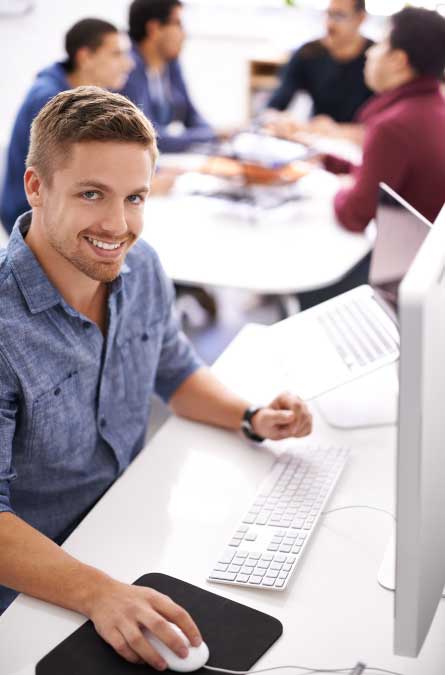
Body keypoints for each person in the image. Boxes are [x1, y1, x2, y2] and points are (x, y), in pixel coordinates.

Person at [0, 86, 312, 668]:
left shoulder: (139, 267)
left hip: (128, 533)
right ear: (36, 187)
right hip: (35, 590)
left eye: (135, 198)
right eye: (92, 194)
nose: (119, 225)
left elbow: (173, 367)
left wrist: (249, 416)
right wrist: (98, 591)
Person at [298, 6, 445, 310]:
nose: (369, 54)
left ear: (399, 61)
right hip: (429, 272)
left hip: (404, 280)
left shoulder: (394, 125)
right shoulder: (431, 108)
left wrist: (335, 188)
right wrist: (335, 163)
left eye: (380, 45)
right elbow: (387, 178)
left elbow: (354, 215)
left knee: (308, 273)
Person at [0, 18, 133, 236]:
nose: (128, 64)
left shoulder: (88, 96)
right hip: (31, 217)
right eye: (117, 54)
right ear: (85, 57)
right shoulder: (50, 100)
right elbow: (84, 171)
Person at [265, 0, 373, 142]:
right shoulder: (308, 53)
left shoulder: (375, 58)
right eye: (328, 14)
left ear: (361, 19)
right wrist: (281, 122)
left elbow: (383, 127)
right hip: (318, 142)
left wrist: (336, 131)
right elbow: (273, 107)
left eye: (339, 16)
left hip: (359, 147)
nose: (330, 24)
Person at [122, 0, 215, 153]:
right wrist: (207, 136)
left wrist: (210, 133)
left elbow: (192, 115)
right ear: (155, 28)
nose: (184, 34)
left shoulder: (170, 63)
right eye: (178, 24)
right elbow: (147, 136)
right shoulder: (127, 67)